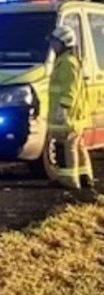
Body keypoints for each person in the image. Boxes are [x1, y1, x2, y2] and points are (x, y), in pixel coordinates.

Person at [44, 25, 93, 195]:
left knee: (66, 147)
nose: (52, 46)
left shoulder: (66, 63)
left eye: (55, 42)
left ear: (64, 42)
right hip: (73, 114)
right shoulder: (69, 60)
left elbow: (69, 89)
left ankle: (69, 180)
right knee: (77, 145)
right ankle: (84, 176)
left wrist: (62, 109)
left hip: (67, 115)